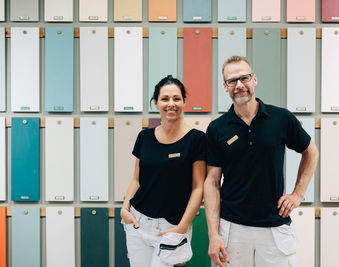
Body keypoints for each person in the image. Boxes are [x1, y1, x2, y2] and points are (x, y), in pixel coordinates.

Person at [204, 56, 319, 267]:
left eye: (244, 78)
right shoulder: (217, 128)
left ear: (254, 79)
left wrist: (298, 194)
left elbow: (311, 152)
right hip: (232, 227)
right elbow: (212, 183)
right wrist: (213, 235)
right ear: (225, 86)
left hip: (274, 225)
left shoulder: (281, 118)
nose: (239, 85)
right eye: (232, 81)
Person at [121, 75, 206, 267]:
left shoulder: (196, 139)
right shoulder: (144, 137)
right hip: (138, 221)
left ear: (184, 102)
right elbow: (136, 179)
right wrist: (125, 208)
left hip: (172, 226)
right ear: (156, 102)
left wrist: (183, 227)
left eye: (176, 98)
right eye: (165, 99)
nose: (171, 104)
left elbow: (198, 188)